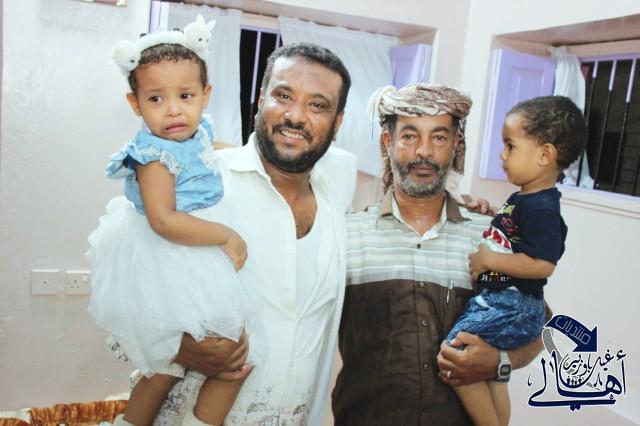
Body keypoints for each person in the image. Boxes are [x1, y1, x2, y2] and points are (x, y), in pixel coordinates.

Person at [149, 42, 358, 426]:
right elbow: (126, 296)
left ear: (337, 122)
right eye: (284, 96)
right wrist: (177, 348)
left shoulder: (337, 194)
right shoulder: (203, 182)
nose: (295, 116)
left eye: (317, 105)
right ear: (261, 100)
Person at [332, 83, 545, 425]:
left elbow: (539, 323)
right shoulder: (347, 235)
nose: (424, 151)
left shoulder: (489, 237)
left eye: (439, 137)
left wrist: (499, 361)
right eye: (409, 136)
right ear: (387, 142)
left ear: (456, 144)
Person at [87, 15, 263, 425]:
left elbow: (213, 150)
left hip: (196, 254)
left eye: (185, 96)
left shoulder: (198, 132)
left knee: (235, 361)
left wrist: (248, 155)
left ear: (205, 95)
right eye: (156, 99)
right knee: (165, 368)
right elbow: (163, 221)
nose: (173, 110)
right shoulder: (153, 156)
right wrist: (225, 235)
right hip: (169, 256)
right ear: (135, 103)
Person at [446, 95, 587, 426]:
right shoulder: (526, 199)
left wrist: (490, 260)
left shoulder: (542, 208)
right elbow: (516, 233)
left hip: (512, 304)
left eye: (510, 146)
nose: (502, 154)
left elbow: (542, 264)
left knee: (455, 357)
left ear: (544, 155)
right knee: (492, 375)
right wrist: (492, 213)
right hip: (504, 301)